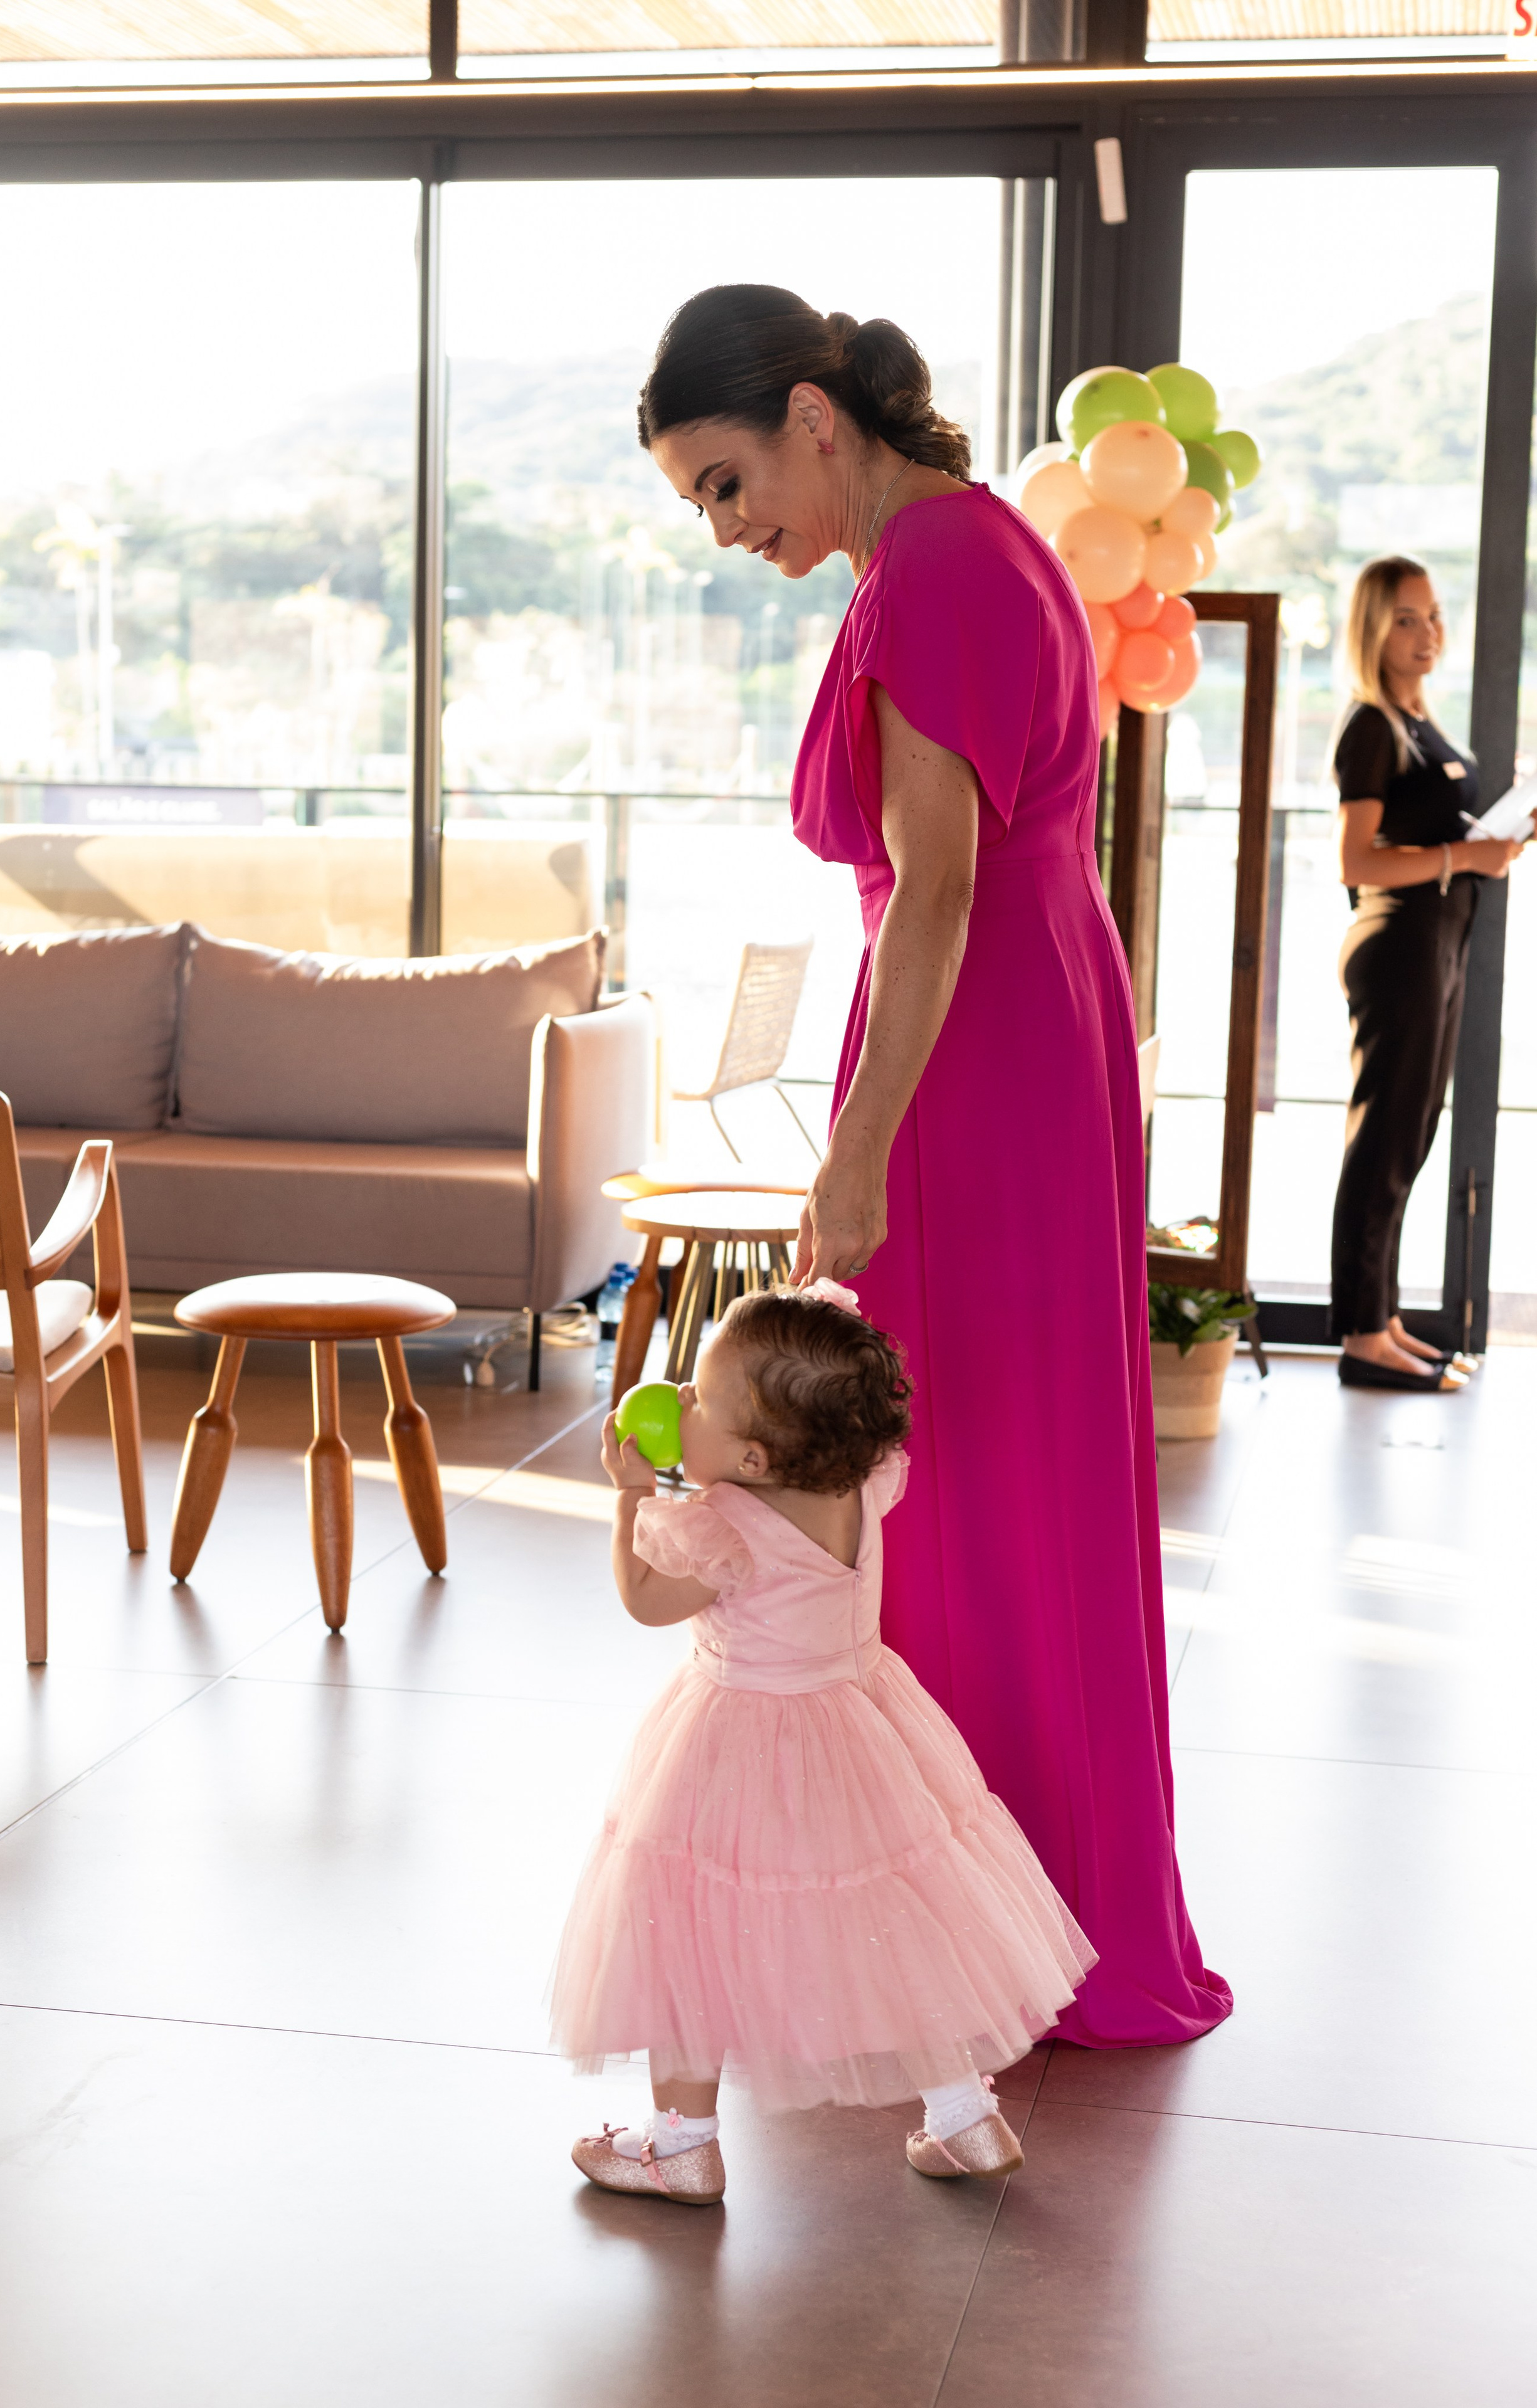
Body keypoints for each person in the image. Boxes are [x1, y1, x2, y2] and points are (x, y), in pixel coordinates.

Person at [636, 284, 1229, 2049]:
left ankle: (978, 1934)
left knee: (943, 1479)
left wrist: (863, 1144)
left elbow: (942, 885)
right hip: (1022, 1025)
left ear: (818, 414)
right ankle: (1008, 1915)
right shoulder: (977, 550)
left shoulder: (940, 572)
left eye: (729, 485)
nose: (736, 536)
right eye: (704, 509)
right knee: (994, 1473)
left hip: (969, 1055)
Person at [553, 1284, 1094, 2204]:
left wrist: (631, 1499)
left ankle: (680, 2144)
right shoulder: (855, 1485)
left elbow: (645, 1601)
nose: (679, 1399)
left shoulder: (724, 1529)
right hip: (862, 1733)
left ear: (754, 1455)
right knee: (900, 1925)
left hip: (734, 1748)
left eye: (698, 1400)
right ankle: (966, 2116)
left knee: (681, 1925)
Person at [1330, 556, 1526, 1391]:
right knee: (1382, 1138)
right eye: (1407, 618)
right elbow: (1357, 858)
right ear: (1375, 627)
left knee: (1411, 1136)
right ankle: (1360, 1338)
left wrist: (1490, 843)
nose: (1428, 633)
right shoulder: (1371, 725)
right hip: (1400, 948)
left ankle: (1386, 1319)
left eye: (1435, 616)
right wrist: (1465, 854)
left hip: (1441, 945)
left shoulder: (1422, 725)